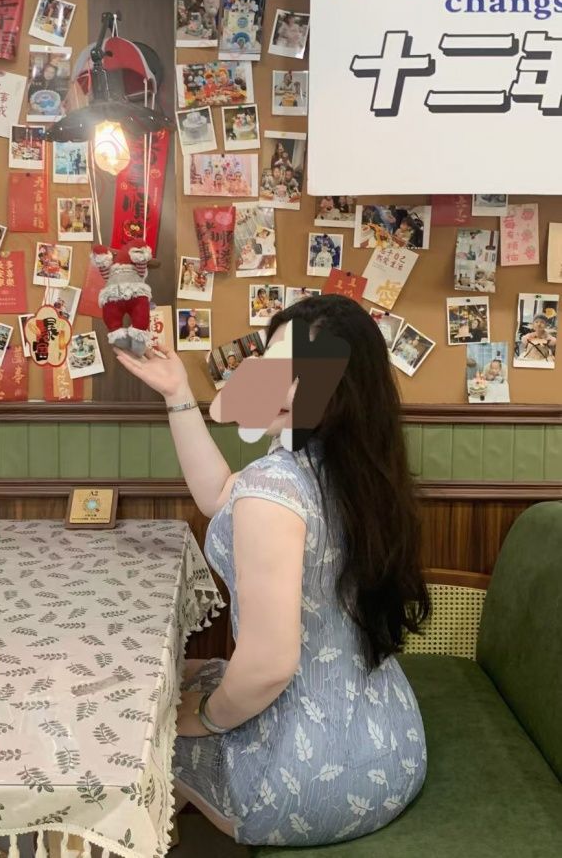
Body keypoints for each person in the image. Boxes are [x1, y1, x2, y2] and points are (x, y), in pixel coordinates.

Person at [111, 294, 428, 846]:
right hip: (391, 748)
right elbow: (219, 493)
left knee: (130, 723)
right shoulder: (357, 470)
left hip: (305, 781)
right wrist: (178, 392)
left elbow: (268, 667)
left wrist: (202, 719)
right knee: (183, 675)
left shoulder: (274, 488)